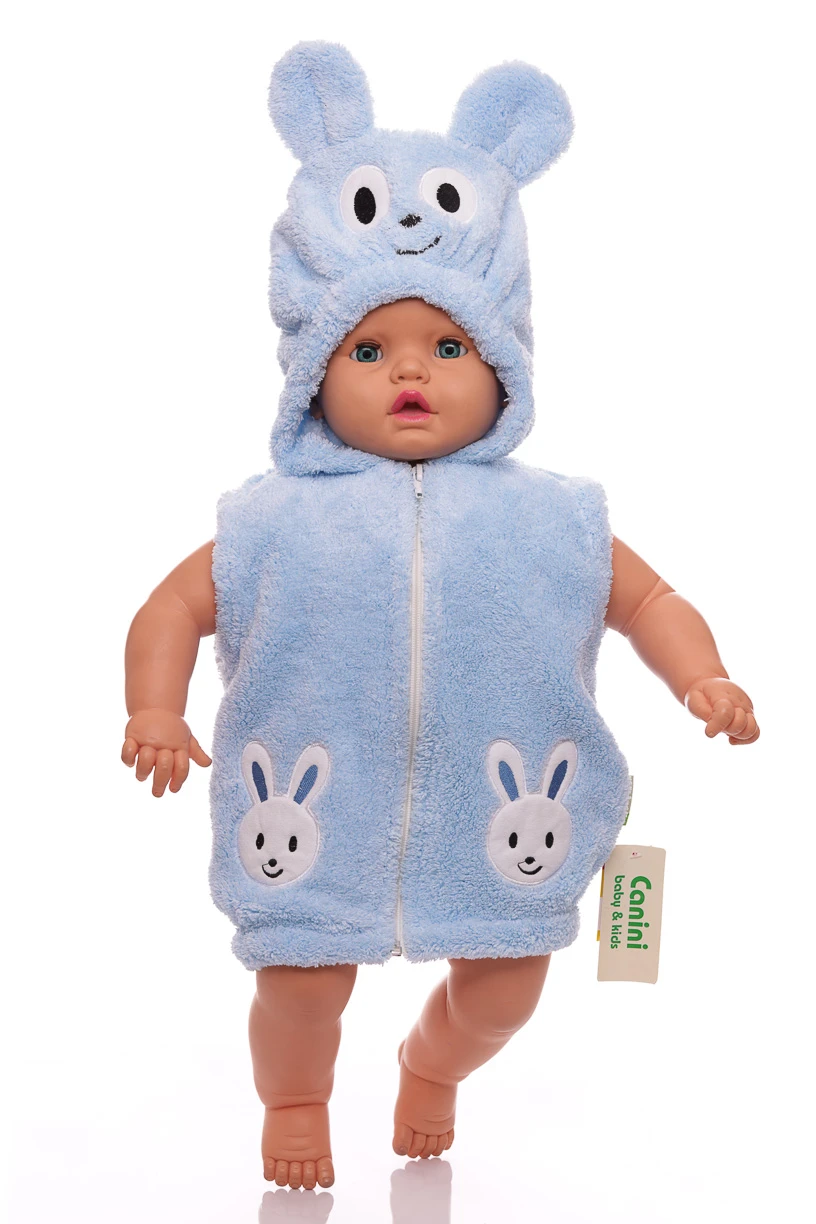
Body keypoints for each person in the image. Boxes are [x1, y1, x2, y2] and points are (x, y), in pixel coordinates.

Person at [122, 45, 758, 1192]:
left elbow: (649, 598)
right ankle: (296, 1101)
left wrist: (699, 675)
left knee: (507, 986)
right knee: (300, 985)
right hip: (315, 810)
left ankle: (432, 1064)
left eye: (449, 347)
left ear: (504, 362)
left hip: (505, 810)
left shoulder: (555, 518)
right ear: (312, 371)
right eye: (368, 349)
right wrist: (154, 709)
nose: (408, 372)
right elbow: (171, 604)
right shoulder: (270, 520)